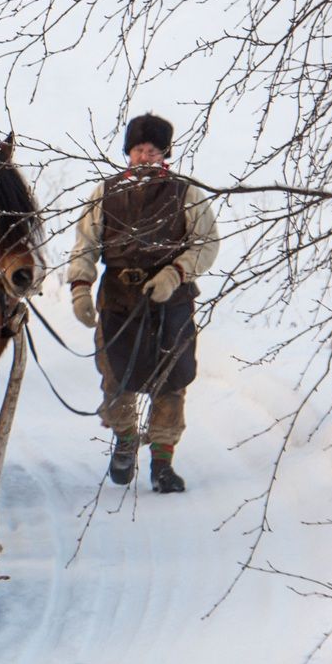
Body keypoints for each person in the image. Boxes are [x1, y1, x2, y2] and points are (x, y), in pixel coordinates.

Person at [67, 113, 220, 492]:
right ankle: (125, 440)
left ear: (164, 153)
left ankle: (162, 463)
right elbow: (85, 244)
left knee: (172, 380)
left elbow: (207, 243)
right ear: (128, 152)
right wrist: (80, 288)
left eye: (152, 151)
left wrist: (175, 274)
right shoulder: (104, 193)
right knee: (116, 378)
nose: (145, 157)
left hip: (172, 303)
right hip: (119, 301)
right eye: (138, 150)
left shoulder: (187, 193)